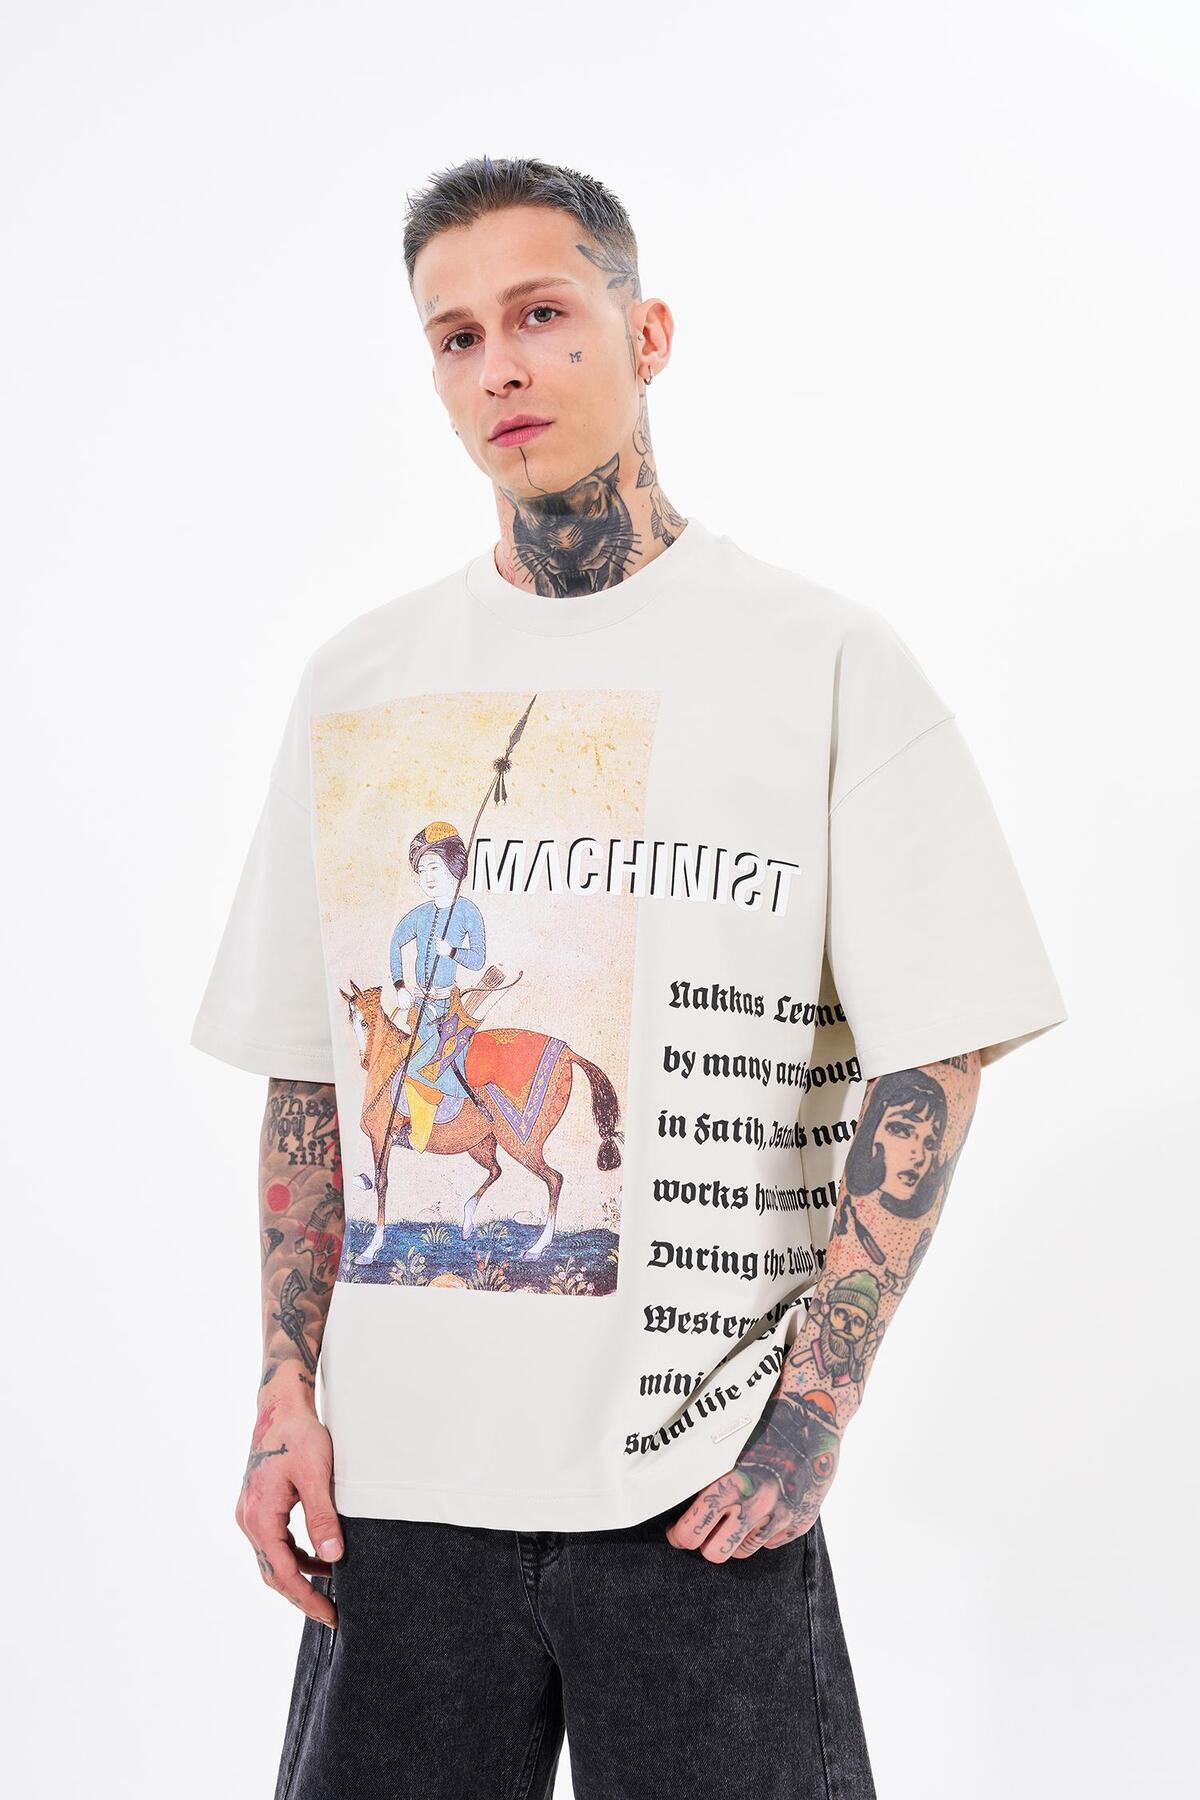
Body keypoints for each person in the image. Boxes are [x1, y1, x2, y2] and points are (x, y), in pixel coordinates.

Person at [190, 156, 1067, 1800]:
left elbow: (936, 1049)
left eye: (540, 313)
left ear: (645, 331)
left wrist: (813, 1412)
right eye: (456, 336)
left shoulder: (821, 660)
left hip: (698, 1492)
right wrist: (282, 1390)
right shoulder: (357, 683)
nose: (499, 366)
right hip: (400, 1500)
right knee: (400, 1087)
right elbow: (309, 1081)